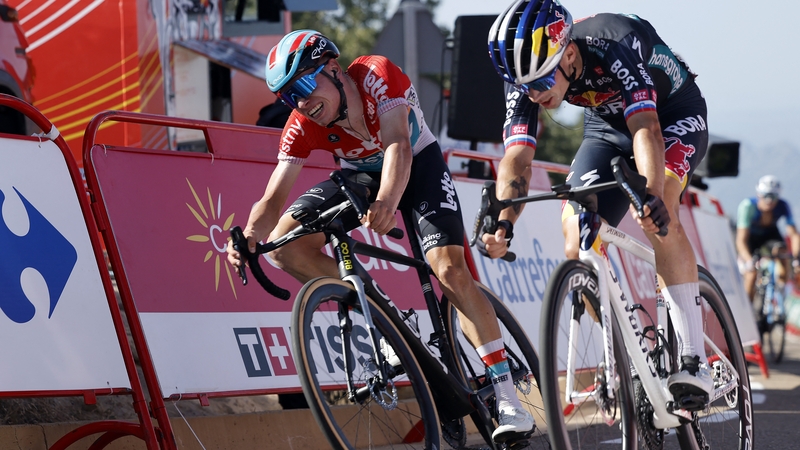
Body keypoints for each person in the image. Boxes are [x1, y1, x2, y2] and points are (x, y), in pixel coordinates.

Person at [226, 29, 534, 443]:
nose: (299, 103)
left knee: (449, 269)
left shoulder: (375, 74)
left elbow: (398, 146)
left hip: (417, 163)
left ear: (332, 69)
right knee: (286, 247)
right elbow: (272, 197)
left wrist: (388, 201)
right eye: (287, 96)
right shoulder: (302, 123)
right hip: (361, 177)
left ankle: (504, 391)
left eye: (302, 86)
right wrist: (248, 237)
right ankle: (387, 321)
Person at [480, 0, 712, 409]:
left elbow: (647, 127)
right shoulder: (524, 76)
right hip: (606, 129)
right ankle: (630, 355)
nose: (535, 93)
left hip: (671, 117)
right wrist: (503, 220)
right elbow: (517, 160)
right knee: (577, 238)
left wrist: (652, 195)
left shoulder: (613, 40)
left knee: (660, 214)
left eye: (541, 80)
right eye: (526, 87)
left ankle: (694, 360)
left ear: (568, 54)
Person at [736, 175, 800, 302]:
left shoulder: (783, 206)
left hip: (770, 235)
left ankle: (781, 296)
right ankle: (748, 308)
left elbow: (793, 234)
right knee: (751, 274)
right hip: (751, 238)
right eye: (766, 196)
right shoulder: (748, 206)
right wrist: (748, 260)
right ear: (758, 195)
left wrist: (796, 257)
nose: (769, 201)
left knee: (782, 252)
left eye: (773, 197)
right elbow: (741, 240)